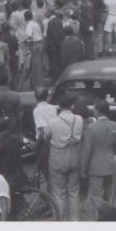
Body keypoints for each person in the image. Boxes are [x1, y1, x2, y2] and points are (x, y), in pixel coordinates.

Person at [79, 99, 116, 220]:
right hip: (112, 165)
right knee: (110, 195)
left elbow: (87, 152)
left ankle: (100, 219)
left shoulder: (91, 128)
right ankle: (112, 218)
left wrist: (83, 171)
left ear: (97, 111)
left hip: (95, 167)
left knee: (96, 196)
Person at [45, 93, 83, 221]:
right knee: (73, 191)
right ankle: (75, 220)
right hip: (74, 157)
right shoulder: (79, 119)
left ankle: (61, 220)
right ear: (72, 105)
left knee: (58, 192)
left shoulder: (52, 123)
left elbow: (46, 137)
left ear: (59, 107)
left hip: (58, 158)